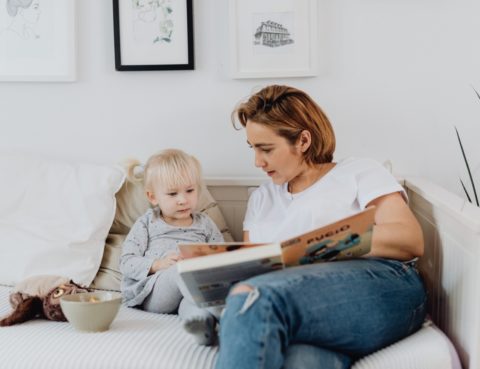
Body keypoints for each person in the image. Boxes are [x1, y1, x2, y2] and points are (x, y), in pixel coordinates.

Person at [215, 85, 427, 369]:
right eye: (253, 148)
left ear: (303, 141)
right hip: (304, 300)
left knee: (254, 298)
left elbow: (409, 239)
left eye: (266, 149)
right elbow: (255, 268)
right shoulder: (261, 198)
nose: (257, 161)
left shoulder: (358, 171)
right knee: (300, 360)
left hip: (382, 283)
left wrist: (315, 247)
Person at [119, 149, 224, 346]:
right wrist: (157, 264)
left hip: (192, 290)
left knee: (193, 306)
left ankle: (203, 326)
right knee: (180, 270)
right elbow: (126, 262)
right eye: (173, 193)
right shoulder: (148, 222)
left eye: (190, 191)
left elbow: (221, 256)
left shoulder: (205, 223)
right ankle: (226, 313)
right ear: (153, 197)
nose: (183, 199)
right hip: (156, 292)